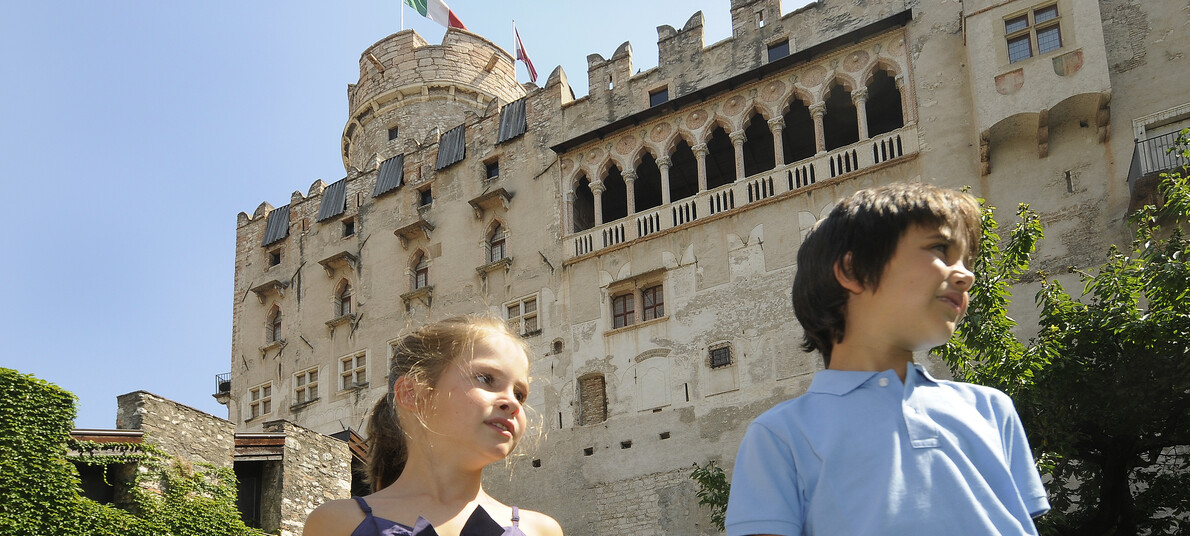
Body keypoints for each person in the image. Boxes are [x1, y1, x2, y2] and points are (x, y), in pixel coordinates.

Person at [724, 183, 1050, 535]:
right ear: (853, 271)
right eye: (940, 249)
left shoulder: (992, 409)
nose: (967, 275)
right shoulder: (781, 436)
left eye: (967, 261)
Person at [304, 315, 564, 536]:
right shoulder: (336, 523)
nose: (512, 402)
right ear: (412, 394)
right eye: (486, 378)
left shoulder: (541, 530)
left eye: (519, 394)